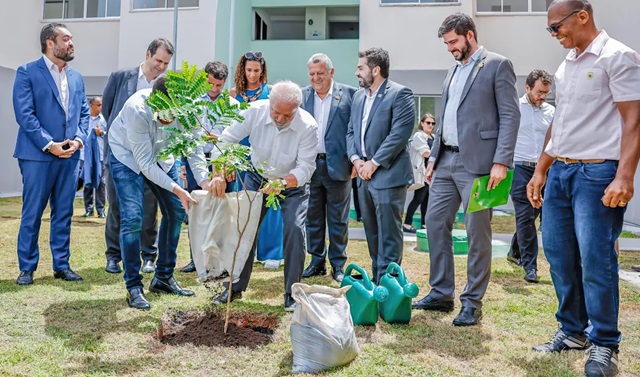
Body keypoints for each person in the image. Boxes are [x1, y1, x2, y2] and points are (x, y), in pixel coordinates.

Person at [528, 1, 640, 376]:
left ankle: (605, 343)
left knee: (596, 259)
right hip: (560, 172)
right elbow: (560, 123)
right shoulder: (567, 64)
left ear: (582, 16)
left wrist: (624, 176)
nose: (553, 34)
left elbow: (633, 121)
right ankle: (573, 332)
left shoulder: (618, 56)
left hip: (597, 175)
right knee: (558, 256)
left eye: (555, 27)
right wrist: (541, 170)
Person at [412, 13, 520, 327]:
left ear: (470, 35)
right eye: (446, 43)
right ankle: (442, 292)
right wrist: (433, 158)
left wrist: (501, 161)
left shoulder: (498, 65)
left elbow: (510, 117)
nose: (450, 48)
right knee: (433, 223)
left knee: (477, 234)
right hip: (445, 161)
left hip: (481, 165)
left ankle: (472, 302)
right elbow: (444, 120)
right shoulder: (451, 72)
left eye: (453, 41)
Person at [108, 77, 224, 310]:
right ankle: (133, 287)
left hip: (164, 156)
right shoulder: (137, 110)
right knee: (133, 218)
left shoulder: (189, 108)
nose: (173, 119)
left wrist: (203, 180)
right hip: (127, 158)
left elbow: (193, 148)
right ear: (156, 101)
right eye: (168, 114)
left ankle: (163, 277)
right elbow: (145, 163)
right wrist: (178, 189)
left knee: (176, 212)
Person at [211, 81, 318, 312]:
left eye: (286, 115)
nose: (279, 118)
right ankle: (235, 286)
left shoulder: (308, 126)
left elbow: (307, 167)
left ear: (296, 110)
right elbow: (225, 139)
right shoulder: (255, 111)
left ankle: (292, 293)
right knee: (245, 229)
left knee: (294, 230)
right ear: (269, 103)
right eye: (275, 112)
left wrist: (282, 182)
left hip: (292, 185)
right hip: (257, 176)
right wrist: (220, 169)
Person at [13, 23, 89, 285]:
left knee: (64, 212)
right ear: (49, 42)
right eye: (66, 39)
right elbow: (25, 115)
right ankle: (27, 268)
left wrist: (78, 141)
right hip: (37, 155)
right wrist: (50, 144)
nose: (71, 43)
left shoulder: (77, 77)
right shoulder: (27, 72)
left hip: (70, 157)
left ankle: (61, 265)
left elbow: (84, 114)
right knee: (32, 212)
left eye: (71, 39)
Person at [102, 38, 173, 274]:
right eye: (158, 60)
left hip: (150, 158)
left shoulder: (166, 86)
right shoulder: (122, 77)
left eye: (166, 63)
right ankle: (114, 255)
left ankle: (149, 255)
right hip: (122, 156)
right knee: (118, 206)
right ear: (148, 54)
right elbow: (108, 110)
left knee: (150, 208)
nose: (161, 66)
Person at [346, 47, 416, 284]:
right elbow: (351, 132)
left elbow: (399, 135)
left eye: (361, 68)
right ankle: (377, 283)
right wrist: (356, 160)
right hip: (363, 176)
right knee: (372, 234)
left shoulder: (400, 94)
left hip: (388, 175)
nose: (357, 72)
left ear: (375, 70)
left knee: (389, 235)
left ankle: (390, 284)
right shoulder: (357, 97)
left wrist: (373, 164)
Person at [300, 53, 357, 283]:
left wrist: (355, 159)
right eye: (312, 74)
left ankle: (338, 264)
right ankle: (316, 260)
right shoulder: (302, 96)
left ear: (331, 72)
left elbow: (355, 130)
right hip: (310, 166)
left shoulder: (350, 94)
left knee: (338, 219)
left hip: (339, 165)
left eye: (320, 73)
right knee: (312, 217)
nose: (316, 78)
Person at [179, 60, 239, 273]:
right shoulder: (192, 103)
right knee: (197, 209)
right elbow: (185, 135)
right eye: (211, 84)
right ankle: (196, 258)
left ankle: (221, 259)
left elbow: (235, 137)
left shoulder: (232, 105)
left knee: (223, 210)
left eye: (219, 86)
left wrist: (220, 139)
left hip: (222, 162)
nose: (214, 89)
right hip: (196, 159)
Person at [230, 51, 283, 268]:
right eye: (249, 70)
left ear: (263, 71)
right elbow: (229, 125)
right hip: (241, 154)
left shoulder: (271, 93)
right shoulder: (234, 94)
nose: (252, 75)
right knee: (244, 204)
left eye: (256, 71)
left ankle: (272, 253)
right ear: (243, 70)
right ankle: (244, 251)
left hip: (266, 153)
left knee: (270, 201)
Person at [507, 69, 554, 283]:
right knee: (525, 216)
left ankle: (514, 250)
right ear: (527, 88)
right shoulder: (514, 108)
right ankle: (530, 266)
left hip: (544, 170)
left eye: (546, 92)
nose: (543, 96)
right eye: (539, 92)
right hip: (520, 168)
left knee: (535, 214)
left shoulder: (552, 112)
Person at [403, 113, 436, 233]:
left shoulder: (433, 137)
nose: (430, 125)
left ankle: (424, 224)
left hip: (431, 173)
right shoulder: (418, 136)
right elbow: (426, 153)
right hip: (422, 171)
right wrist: (438, 153)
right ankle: (407, 224)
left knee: (427, 199)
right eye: (428, 122)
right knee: (418, 198)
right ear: (422, 123)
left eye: (433, 123)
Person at [81, 96, 107, 219]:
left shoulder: (104, 120)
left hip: (100, 156)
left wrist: (101, 133)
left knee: (101, 183)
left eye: (101, 105)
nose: (101, 107)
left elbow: (109, 134)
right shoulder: (84, 119)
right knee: (87, 182)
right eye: (98, 105)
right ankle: (88, 209)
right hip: (85, 156)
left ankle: (101, 210)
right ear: (91, 106)